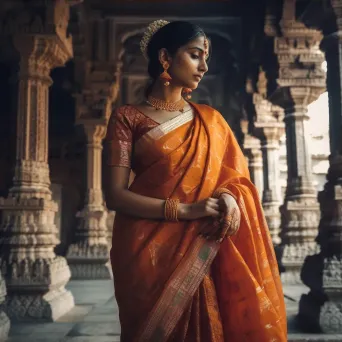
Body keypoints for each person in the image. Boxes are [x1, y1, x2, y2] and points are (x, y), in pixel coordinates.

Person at [104, 20, 287, 342]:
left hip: (205, 239)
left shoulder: (211, 120)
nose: (203, 66)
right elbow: (115, 196)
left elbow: (235, 178)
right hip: (147, 247)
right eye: (194, 54)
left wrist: (231, 197)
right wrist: (186, 210)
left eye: (206, 57)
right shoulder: (127, 118)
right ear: (165, 57)